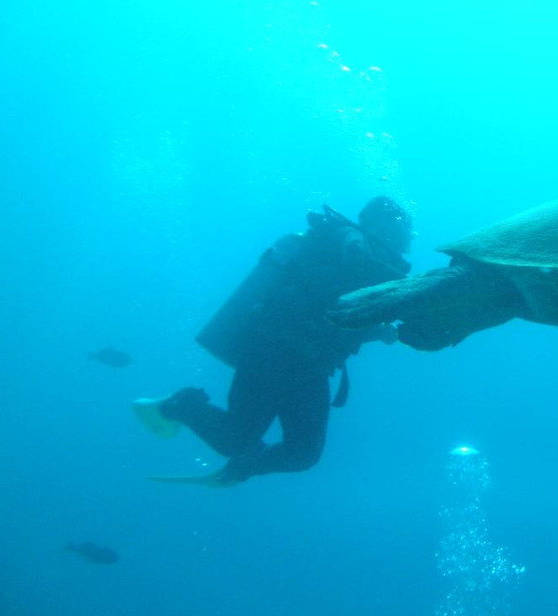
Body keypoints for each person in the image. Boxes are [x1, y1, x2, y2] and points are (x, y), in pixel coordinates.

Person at [133, 196, 413, 485]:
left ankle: (242, 468)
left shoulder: (376, 264)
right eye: (392, 228)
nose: (397, 238)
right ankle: (182, 404)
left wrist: (377, 332)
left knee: (303, 454)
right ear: (373, 223)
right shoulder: (349, 236)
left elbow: (336, 317)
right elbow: (354, 260)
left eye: (402, 233)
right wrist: (413, 292)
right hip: (272, 351)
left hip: (312, 366)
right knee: (235, 440)